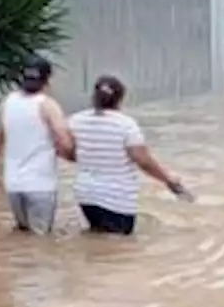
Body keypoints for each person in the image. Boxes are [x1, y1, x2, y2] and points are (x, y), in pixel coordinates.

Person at [68, 76, 184, 235]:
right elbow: (143, 160)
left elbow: (65, 148)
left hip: (86, 194)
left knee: (97, 238)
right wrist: (168, 179)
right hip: (117, 197)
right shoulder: (126, 125)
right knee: (119, 247)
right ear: (120, 99)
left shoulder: (76, 120)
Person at [0, 56, 74, 234]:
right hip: (41, 186)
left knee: (23, 234)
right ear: (47, 80)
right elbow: (64, 141)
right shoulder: (48, 105)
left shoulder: (6, 104)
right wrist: (75, 157)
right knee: (41, 241)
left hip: (14, 186)